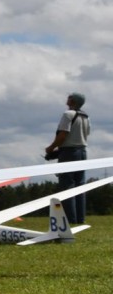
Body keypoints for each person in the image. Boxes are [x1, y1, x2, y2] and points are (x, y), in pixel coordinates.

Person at [45, 92, 90, 224]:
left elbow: (63, 135)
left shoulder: (68, 114)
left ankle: (70, 219)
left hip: (69, 152)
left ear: (73, 101)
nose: (67, 99)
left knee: (67, 185)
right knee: (80, 185)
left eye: (69, 97)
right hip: (82, 152)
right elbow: (86, 134)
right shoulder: (86, 116)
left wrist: (51, 148)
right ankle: (80, 219)